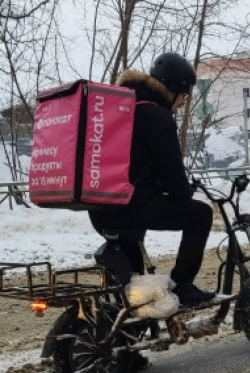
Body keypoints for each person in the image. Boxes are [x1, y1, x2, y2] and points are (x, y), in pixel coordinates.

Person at [88, 52, 215, 307]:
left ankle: (127, 331)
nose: (182, 103)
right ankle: (183, 285)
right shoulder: (156, 115)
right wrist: (185, 190)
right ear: (174, 89)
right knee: (200, 214)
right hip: (131, 209)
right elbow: (173, 177)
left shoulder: (124, 109)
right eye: (184, 95)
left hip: (101, 209)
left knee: (134, 287)